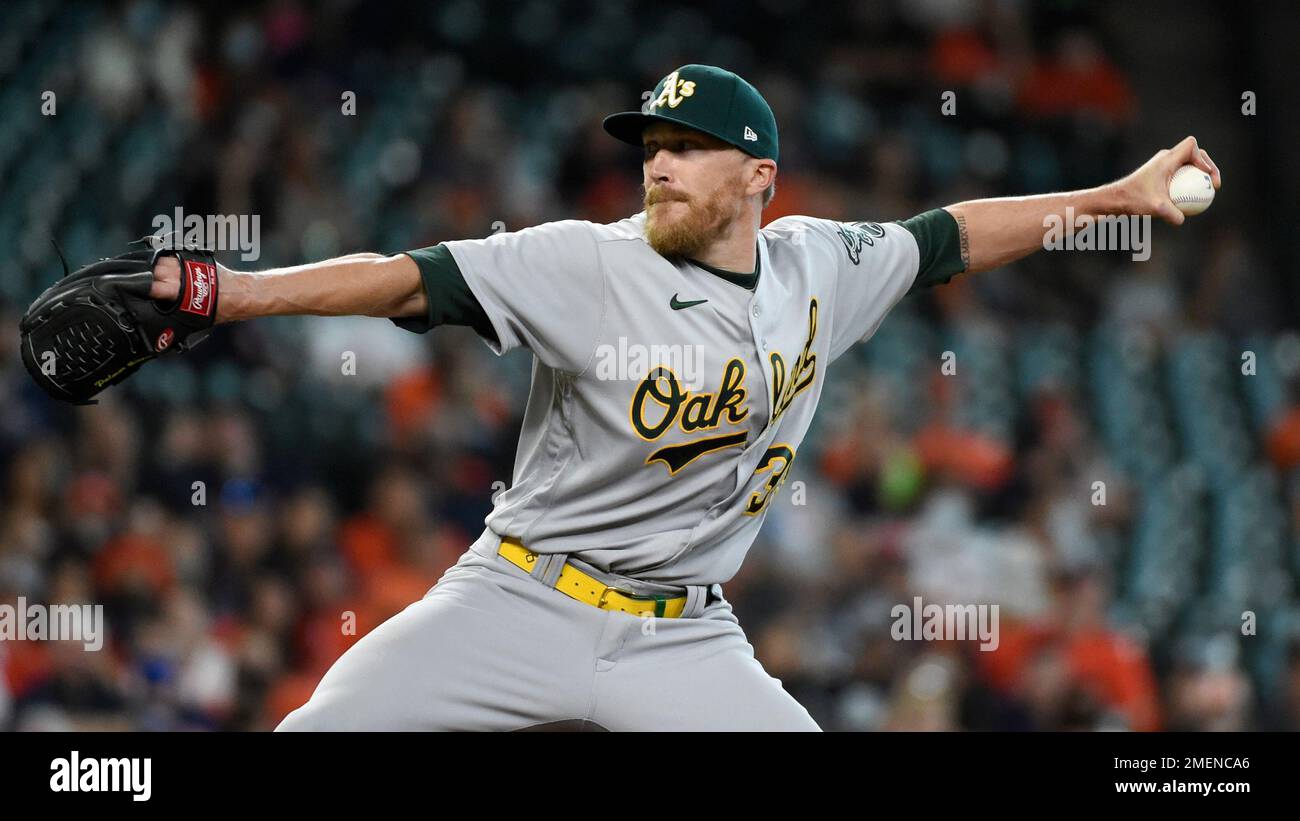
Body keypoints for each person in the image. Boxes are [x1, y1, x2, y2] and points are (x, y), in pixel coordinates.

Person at [148, 64, 1220, 730]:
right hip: (522, 598)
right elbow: (405, 274)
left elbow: (951, 235)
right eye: (651, 148)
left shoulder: (820, 263)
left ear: (758, 176)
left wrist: (1112, 197)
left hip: (684, 635)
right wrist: (236, 291)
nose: (657, 166)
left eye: (687, 150)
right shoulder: (583, 262)